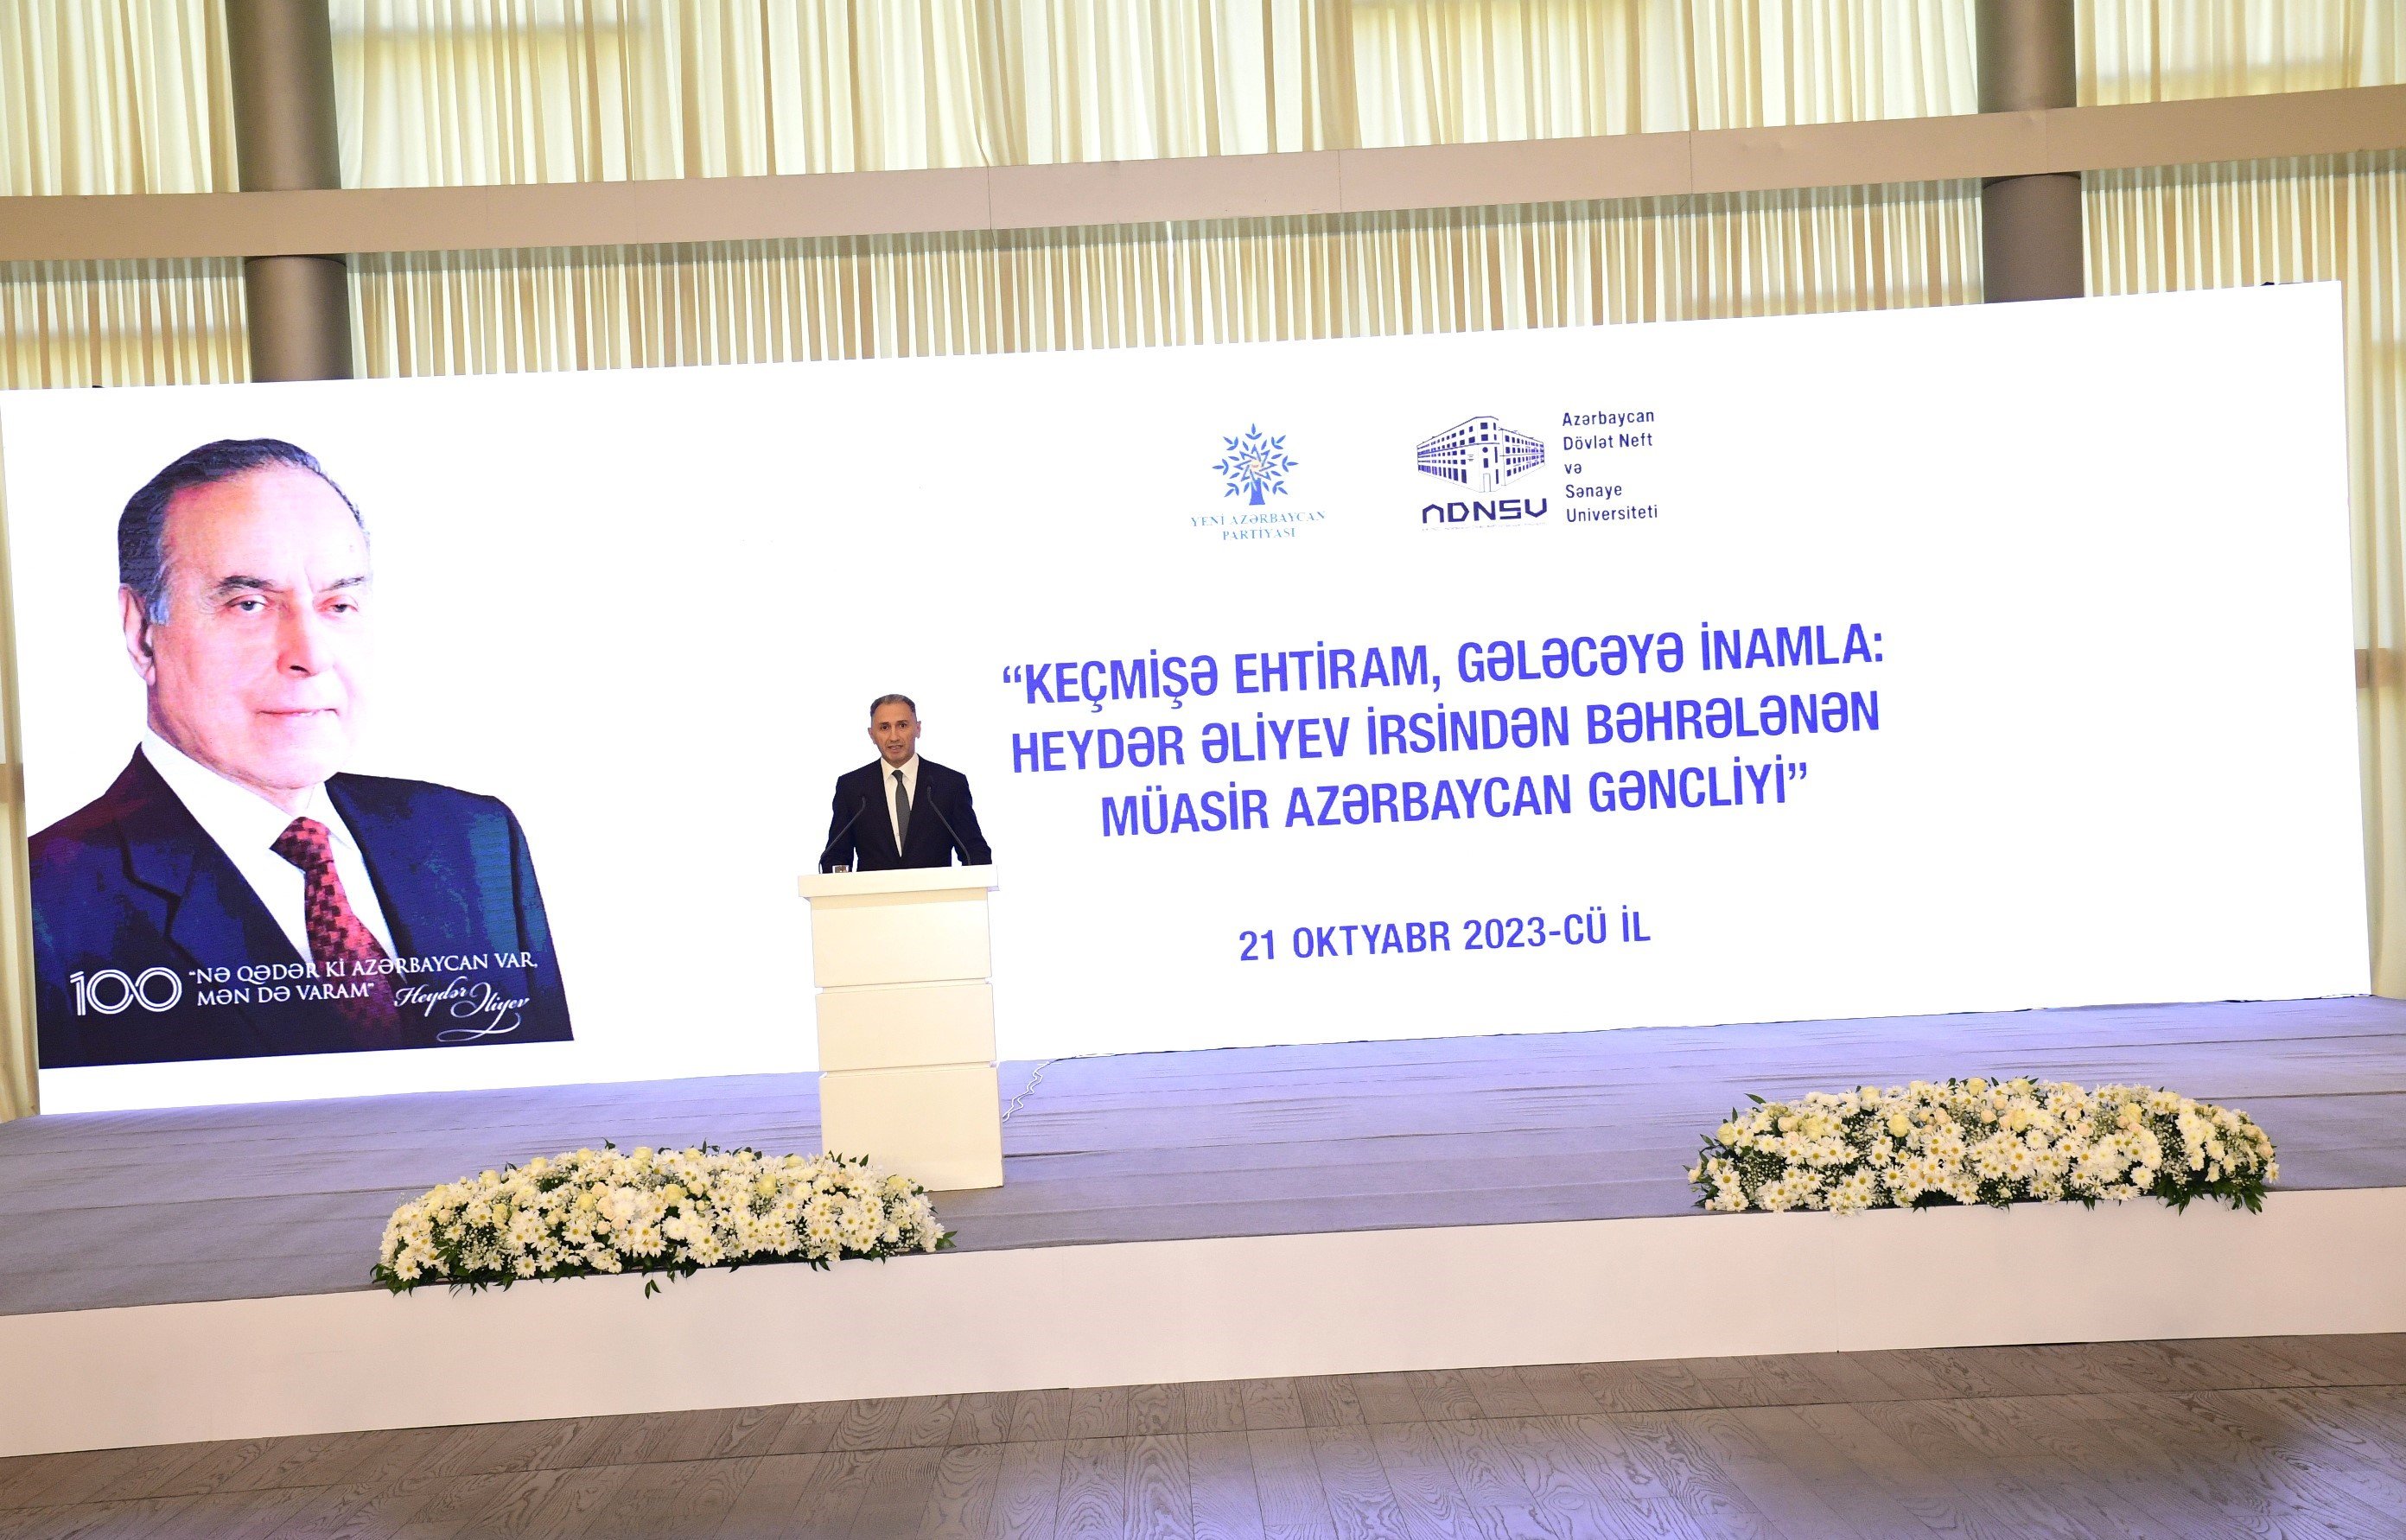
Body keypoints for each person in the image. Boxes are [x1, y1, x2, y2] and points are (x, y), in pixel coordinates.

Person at [29, 438, 573, 1068]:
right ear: (141, 634)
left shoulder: (474, 839)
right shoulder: (39, 903)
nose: (310, 655)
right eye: (249, 604)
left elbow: (542, 1103)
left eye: (338, 604)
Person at [822, 694, 992, 871]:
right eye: (884, 727)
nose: (894, 737)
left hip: (934, 890)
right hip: (874, 890)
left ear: (918, 729)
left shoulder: (949, 784)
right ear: (872, 735)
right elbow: (836, 856)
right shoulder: (852, 787)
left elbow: (974, 852)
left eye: (902, 725)